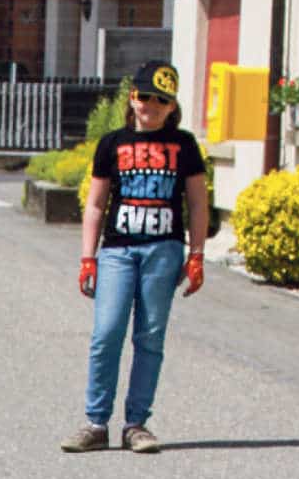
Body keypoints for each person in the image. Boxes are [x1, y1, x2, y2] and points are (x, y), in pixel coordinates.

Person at [61, 58, 209, 455]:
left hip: (164, 251)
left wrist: (196, 254)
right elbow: (95, 204)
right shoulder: (112, 144)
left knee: (150, 336)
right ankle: (95, 422)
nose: (151, 105)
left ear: (173, 106)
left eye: (162, 100)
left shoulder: (185, 146)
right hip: (118, 252)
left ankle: (137, 424)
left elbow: (196, 203)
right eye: (145, 96)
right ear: (132, 98)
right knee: (107, 332)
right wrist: (87, 258)